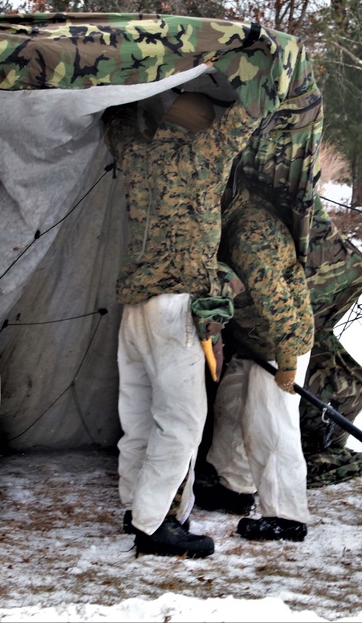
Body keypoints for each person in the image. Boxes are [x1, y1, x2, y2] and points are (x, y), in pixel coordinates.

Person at [103, 89, 259, 558]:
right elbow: (248, 117)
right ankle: (153, 525)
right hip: (174, 309)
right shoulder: (202, 157)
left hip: (134, 310)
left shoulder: (137, 156)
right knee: (183, 423)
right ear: (199, 128)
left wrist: (128, 91)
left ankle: (135, 506)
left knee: (139, 420)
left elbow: (117, 126)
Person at [198, 185, 314, 542]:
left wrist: (288, 363)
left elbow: (277, 302)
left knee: (271, 427)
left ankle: (286, 515)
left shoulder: (249, 234)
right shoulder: (234, 219)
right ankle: (234, 488)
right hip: (251, 341)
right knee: (232, 409)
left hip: (277, 344)